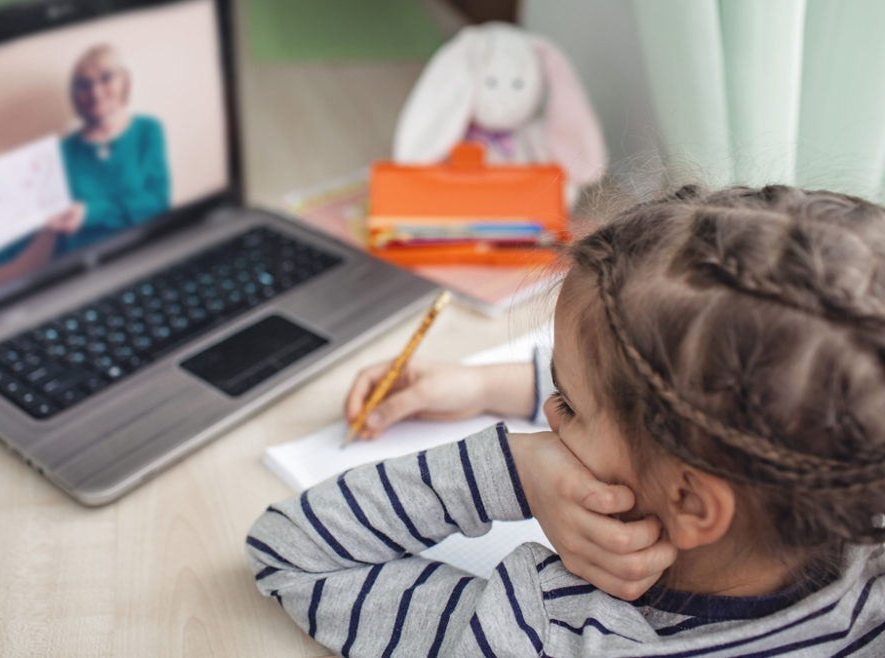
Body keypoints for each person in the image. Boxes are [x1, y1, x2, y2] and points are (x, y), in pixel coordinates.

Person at [245, 184, 885, 656]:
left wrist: (511, 471)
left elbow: (291, 553)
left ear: (692, 501)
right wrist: (483, 385)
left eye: (568, 405)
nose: (550, 415)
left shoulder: (549, 631)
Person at [0, 43, 170, 276]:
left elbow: (158, 202)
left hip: (142, 263)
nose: (95, 91)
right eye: (83, 84)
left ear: (125, 82)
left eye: (106, 77)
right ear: (75, 95)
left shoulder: (148, 130)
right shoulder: (58, 154)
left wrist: (89, 213)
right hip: (76, 276)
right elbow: (15, 233)